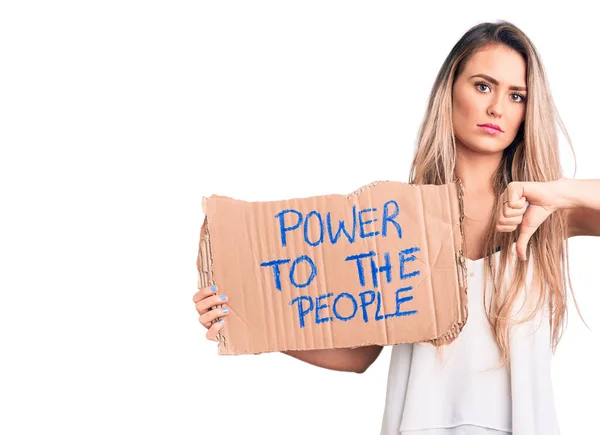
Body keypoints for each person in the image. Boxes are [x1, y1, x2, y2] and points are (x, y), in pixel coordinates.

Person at [192, 20, 600, 434]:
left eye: (516, 96)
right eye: (483, 86)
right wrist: (253, 321)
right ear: (450, 90)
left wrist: (560, 191)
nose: (497, 107)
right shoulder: (397, 218)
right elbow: (359, 354)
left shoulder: (547, 215)